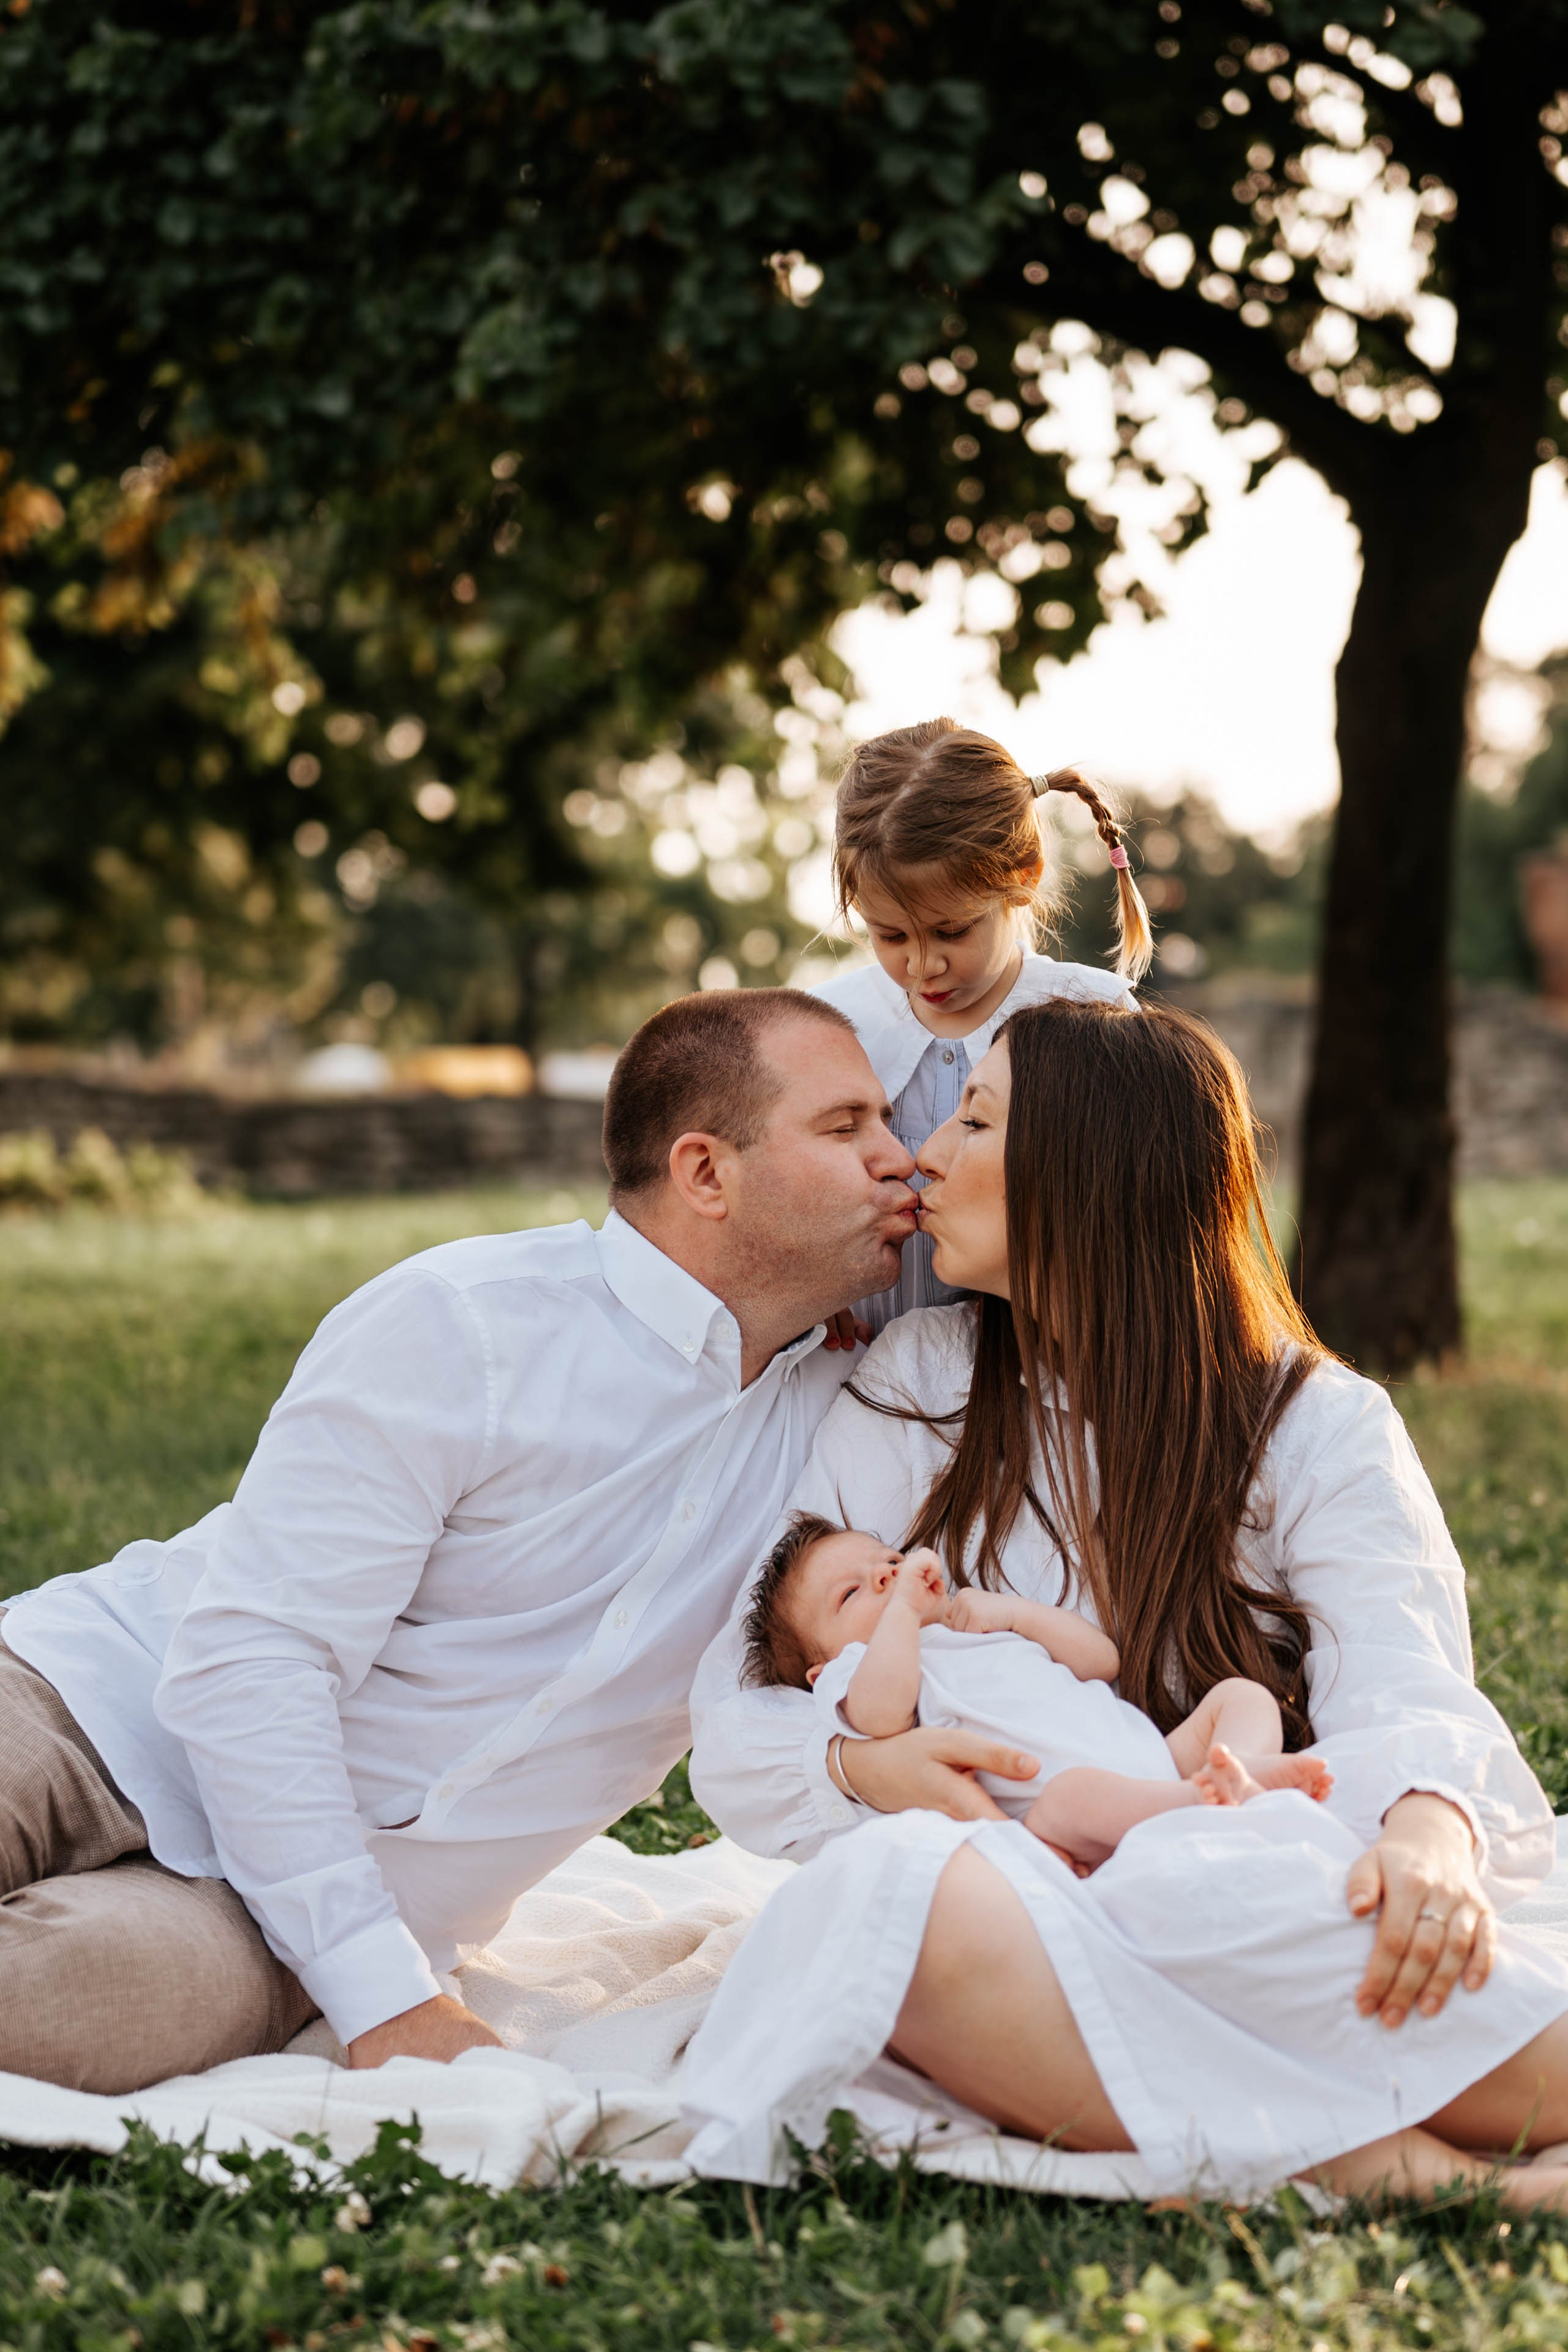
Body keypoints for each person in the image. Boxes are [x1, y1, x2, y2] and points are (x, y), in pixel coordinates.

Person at [685, 998, 1568, 2207]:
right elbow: (739, 1713)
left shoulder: (1315, 1422)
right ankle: (1388, 2167)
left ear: (1087, 1174)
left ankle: (1316, 2125)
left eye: (977, 1121)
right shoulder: (917, 1388)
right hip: (1037, 1903)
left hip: (1255, 1886)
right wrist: (860, 1771)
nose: (926, 1154)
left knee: (1357, 1944)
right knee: (884, 1910)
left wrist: (1425, 1828)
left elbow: (1400, 1670)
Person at [0, 988, 935, 2094]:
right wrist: (387, 2001)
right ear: (704, 1173)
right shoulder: (468, 1324)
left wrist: (373, 1978)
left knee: (58, 2010)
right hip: (96, 1709)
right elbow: (252, 1660)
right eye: (847, 1128)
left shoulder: (860, 1429)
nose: (902, 1159)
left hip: (286, 1923)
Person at [812, 717, 1152, 1334]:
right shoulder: (827, 1027)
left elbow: (1135, 1206)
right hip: (860, 1377)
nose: (922, 965)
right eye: (889, 935)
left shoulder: (1089, 1014)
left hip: (1038, 1375)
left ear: (1022, 873)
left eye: (951, 930)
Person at [740, 1517, 1331, 1869]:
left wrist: (1014, 1613)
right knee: (1074, 1795)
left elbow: (1103, 1661)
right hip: (1060, 1815)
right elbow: (881, 1715)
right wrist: (900, 1612)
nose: (885, 1576)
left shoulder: (973, 1624)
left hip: (1154, 1762)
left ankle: (1239, 1773)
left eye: (889, 1561)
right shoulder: (856, 1673)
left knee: (1241, 1697)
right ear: (819, 1671)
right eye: (853, 1594)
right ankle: (1208, 1806)